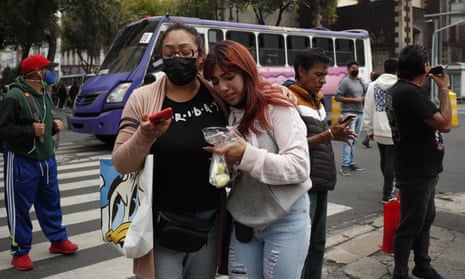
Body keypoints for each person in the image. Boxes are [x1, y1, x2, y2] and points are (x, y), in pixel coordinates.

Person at [111, 22, 229, 279]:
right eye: (169, 52)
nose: (178, 58)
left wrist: (276, 93)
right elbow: (121, 163)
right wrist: (146, 135)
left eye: (185, 52)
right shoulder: (142, 99)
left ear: (199, 55)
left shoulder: (217, 95)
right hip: (162, 226)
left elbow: (250, 99)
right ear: (160, 56)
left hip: (209, 222)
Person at [203, 39, 311, 279]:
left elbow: (299, 167)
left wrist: (245, 155)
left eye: (229, 77)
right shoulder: (225, 113)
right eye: (216, 81)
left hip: (286, 218)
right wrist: (225, 168)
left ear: (246, 71)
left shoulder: (276, 105)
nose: (223, 87)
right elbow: (233, 177)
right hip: (244, 222)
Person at [0, 54, 78, 271]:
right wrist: (29, 131)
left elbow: (42, 122)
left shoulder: (44, 93)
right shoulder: (14, 96)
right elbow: (3, 129)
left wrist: (52, 126)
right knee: (19, 207)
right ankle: (20, 251)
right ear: (36, 72)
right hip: (21, 159)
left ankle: (57, 239)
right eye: (46, 69)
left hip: (46, 158)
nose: (50, 73)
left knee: (51, 201)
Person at [283, 48, 356, 279]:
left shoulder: (317, 101)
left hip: (322, 181)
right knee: (301, 246)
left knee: (317, 242)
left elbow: (319, 136)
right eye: (318, 75)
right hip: (304, 184)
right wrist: (329, 135)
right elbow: (291, 147)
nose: (324, 80)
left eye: (325, 74)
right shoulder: (288, 100)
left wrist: (335, 134)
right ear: (301, 71)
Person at [385, 45, 451, 279]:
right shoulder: (410, 93)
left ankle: (422, 264)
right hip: (416, 169)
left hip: (419, 167)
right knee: (411, 224)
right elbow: (445, 123)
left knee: (424, 218)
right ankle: (401, 273)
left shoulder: (398, 90)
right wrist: (444, 89)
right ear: (424, 67)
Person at [363, 58, 399, 204]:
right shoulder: (400, 85)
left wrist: (369, 128)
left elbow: (368, 108)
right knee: (393, 160)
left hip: (378, 128)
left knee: (385, 159)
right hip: (395, 130)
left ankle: (389, 184)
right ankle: (388, 192)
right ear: (397, 70)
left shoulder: (373, 85)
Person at [335, 60, 367, 175]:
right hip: (349, 113)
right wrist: (354, 100)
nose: (356, 70)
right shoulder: (345, 82)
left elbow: (366, 92)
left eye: (357, 68)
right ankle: (345, 165)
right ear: (348, 69)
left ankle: (351, 163)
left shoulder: (359, 82)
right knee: (347, 139)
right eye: (353, 68)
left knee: (354, 139)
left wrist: (362, 81)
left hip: (360, 112)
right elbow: (337, 97)